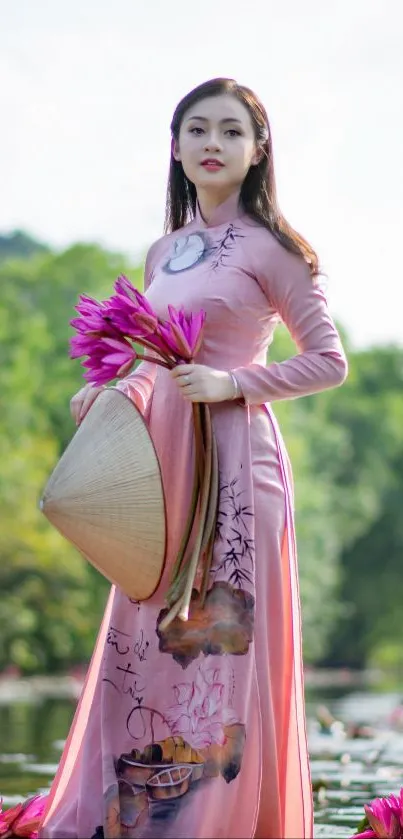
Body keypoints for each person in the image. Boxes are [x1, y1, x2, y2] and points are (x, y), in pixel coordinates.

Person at [38, 77, 347, 838]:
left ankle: (211, 820)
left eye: (231, 131)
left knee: (217, 643)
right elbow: (152, 360)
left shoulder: (276, 250)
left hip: (239, 463)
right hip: (164, 467)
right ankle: (135, 815)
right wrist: (109, 390)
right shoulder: (164, 251)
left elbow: (328, 361)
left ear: (256, 149)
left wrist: (233, 383)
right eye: (198, 130)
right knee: (144, 634)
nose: (213, 144)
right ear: (174, 148)